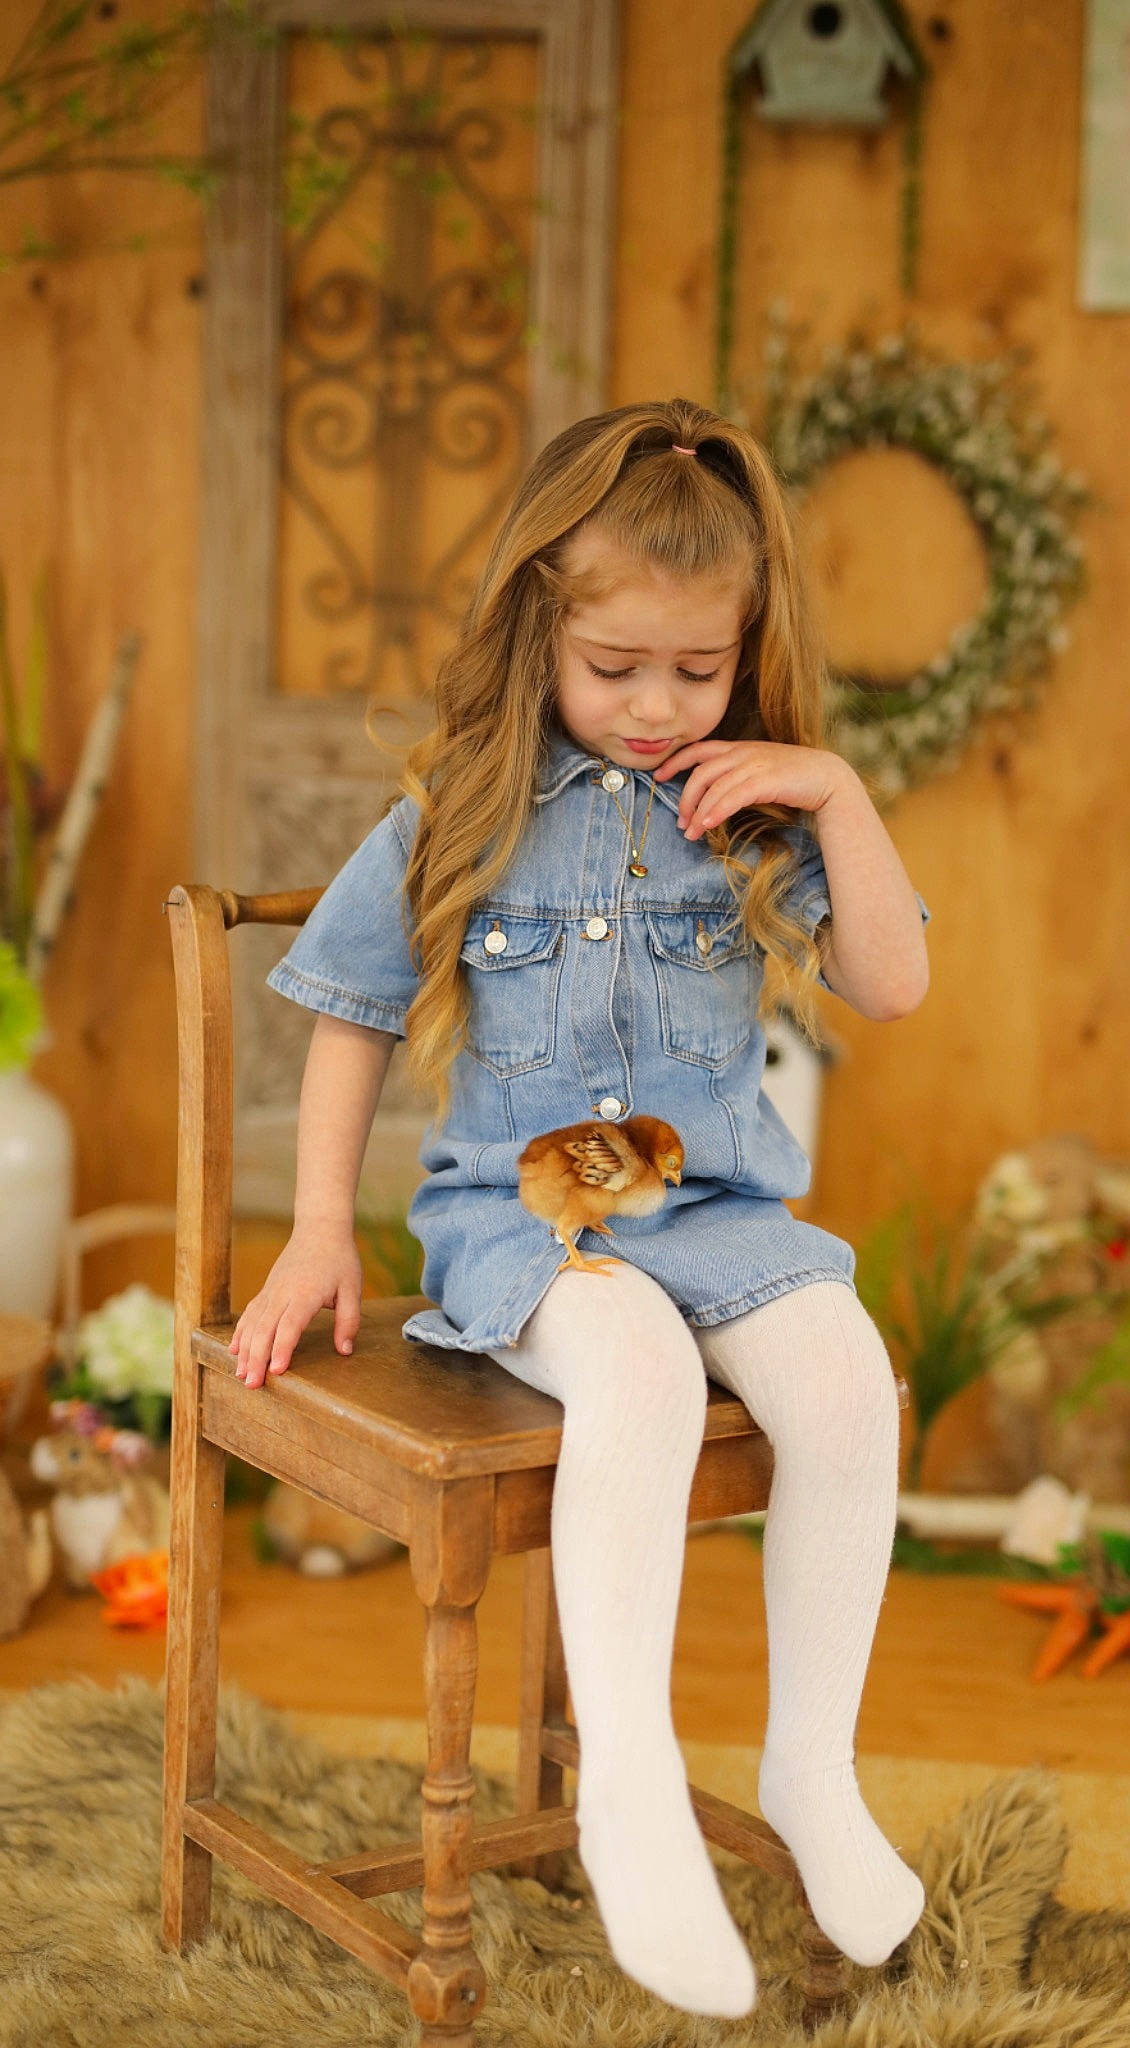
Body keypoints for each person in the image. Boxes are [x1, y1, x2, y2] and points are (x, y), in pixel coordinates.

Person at [229, 399, 933, 2018]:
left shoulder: (758, 807)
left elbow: (890, 982)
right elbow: (345, 1003)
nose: (653, 704)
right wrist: (321, 1226)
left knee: (842, 1373)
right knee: (636, 1371)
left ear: (745, 653)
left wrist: (832, 791)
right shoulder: (462, 813)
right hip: (523, 1223)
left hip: (712, 1213)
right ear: (539, 621)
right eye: (614, 666)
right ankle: (626, 1781)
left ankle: (811, 1770)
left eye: (697, 671)